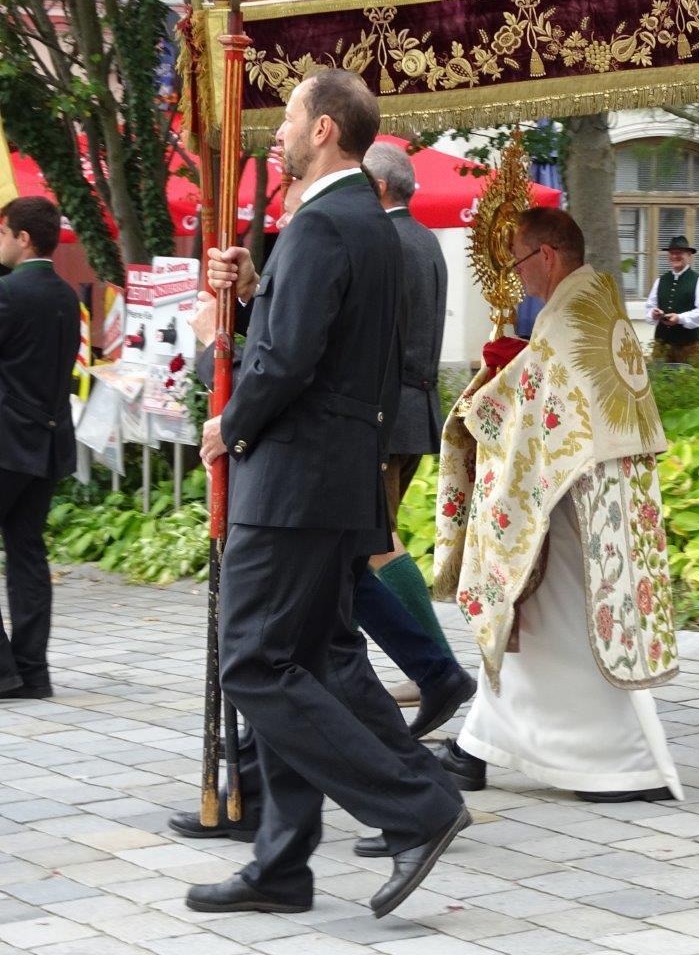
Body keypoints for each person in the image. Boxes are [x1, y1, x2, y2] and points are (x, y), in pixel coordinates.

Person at [184, 69, 468, 918]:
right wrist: (252, 294)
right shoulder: (369, 223)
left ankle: (416, 807)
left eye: (289, 119)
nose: (277, 134)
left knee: (252, 662)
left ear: (324, 130)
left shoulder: (319, 224)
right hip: (336, 477)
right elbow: (314, 338)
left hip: (293, 482)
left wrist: (228, 416)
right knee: (306, 663)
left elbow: (286, 364)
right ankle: (281, 866)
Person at [432, 207, 684, 803]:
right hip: (591, 492)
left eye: (520, 261)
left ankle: (618, 763)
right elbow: (554, 392)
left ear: (546, 255)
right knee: (532, 617)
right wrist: (515, 364)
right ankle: (477, 746)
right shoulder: (595, 302)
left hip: (571, 498)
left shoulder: (568, 318)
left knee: (560, 620)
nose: (517, 277)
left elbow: (533, 413)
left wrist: (485, 394)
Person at [361, 140, 476, 729]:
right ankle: (427, 669)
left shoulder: (384, 239)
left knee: (374, 541)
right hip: (413, 409)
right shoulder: (427, 238)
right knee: (368, 541)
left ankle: (439, 670)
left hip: (383, 415)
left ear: (379, 187)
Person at [0, 196, 79, 700]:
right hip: (47, 442)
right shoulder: (66, 294)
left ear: (23, 237)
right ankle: (32, 672)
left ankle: (5, 672)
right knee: (27, 551)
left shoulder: (9, 293)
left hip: (7, 441)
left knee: (26, 551)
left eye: (2, 232)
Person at [645, 235, 699, 365]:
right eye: (672, 253)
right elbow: (650, 307)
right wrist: (654, 314)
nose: (675, 256)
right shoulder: (661, 280)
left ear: (689, 255)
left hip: (688, 346)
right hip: (662, 345)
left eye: (679, 253)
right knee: (659, 377)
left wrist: (680, 318)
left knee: (688, 378)